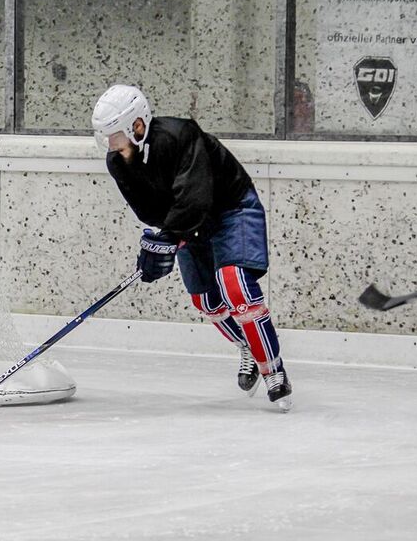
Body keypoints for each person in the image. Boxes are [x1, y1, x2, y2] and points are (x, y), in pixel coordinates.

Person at [91, 84, 293, 410]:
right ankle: (248, 345)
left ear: (137, 125)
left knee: (235, 286)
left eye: (114, 135)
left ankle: (273, 371)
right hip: (189, 222)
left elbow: (196, 195)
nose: (110, 144)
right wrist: (156, 246)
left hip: (231, 209)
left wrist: (171, 234)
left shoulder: (180, 135)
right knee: (207, 301)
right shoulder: (118, 162)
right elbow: (147, 210)